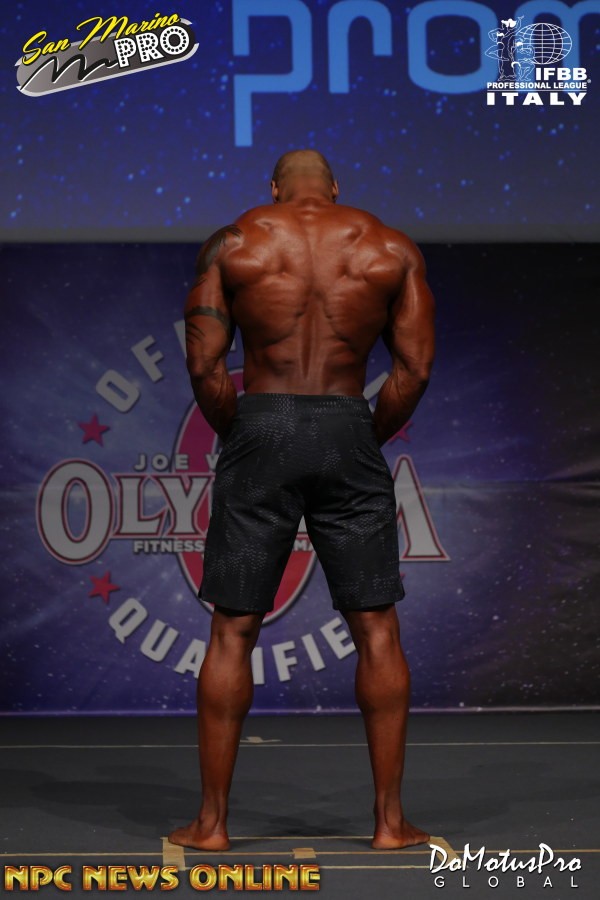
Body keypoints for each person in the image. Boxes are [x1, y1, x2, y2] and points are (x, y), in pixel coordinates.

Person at [169, 150, 435, 852]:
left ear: (275, 188)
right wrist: (361, 434)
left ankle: (212, 825)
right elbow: (414, 369)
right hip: (348, 422)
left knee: (233, 630)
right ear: (336, 188)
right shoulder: (390, 249)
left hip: (262, 421)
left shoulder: (235, 243)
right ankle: (389, 824)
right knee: (377, 630)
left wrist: (247, 430)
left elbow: (203, 362)